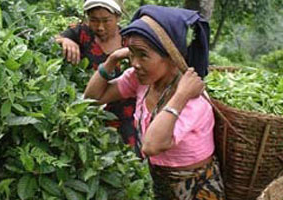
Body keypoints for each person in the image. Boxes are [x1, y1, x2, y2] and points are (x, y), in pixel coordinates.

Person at [83, 5, 225, 200]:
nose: (135, 63)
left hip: (196, 190)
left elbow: (150, 146)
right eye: (131, 53)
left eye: (143, 55)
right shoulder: (140, 81)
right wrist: (112, 59)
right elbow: (92, 99)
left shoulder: (192, 98)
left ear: (172, 57)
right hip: (161, 184)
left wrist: (181, 95)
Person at [55, 0, 140, 154]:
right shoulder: (81, 33)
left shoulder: (130, 40)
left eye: (106, 21)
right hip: (91, 115)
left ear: (118, 17)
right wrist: (66, 40)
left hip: (127, 117)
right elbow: (55, 39)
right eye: (94, 20)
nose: (100, 27)